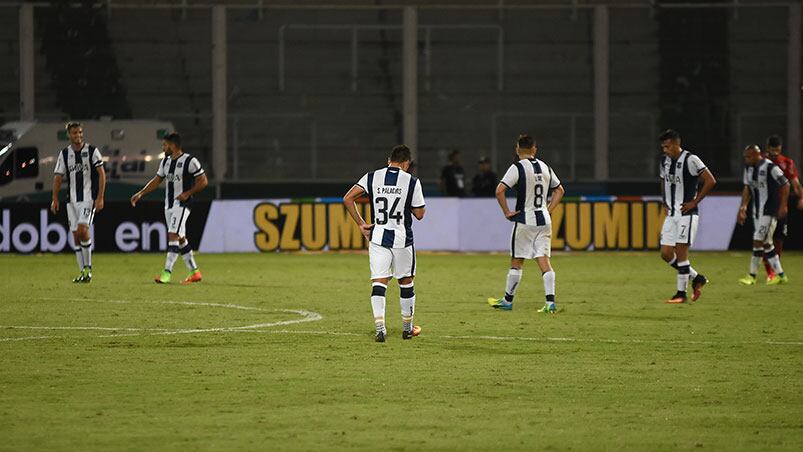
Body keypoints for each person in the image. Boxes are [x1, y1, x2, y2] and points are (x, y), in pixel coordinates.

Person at [343, 145, 425, 342]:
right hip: (402, 239)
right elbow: (420, 214)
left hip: (378, 237)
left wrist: (362, 224)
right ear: (407, 163)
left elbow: (348, 198)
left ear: (389, 160)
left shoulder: (371, 177)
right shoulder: (411, 181)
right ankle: (407, 328)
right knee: (406, 281)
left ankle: (380, 327)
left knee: (379, 281)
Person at [487, 134, 565, 313]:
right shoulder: (545, 167)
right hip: (544, 220)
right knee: (544, 260)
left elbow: (500, 191)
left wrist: (507, 212)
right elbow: (559, 190)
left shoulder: (517, 167)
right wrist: (549, 209)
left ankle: (507, 300)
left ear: (517, 149)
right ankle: (550, 303)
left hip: (525, 220)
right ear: (534, 149)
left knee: (517, 260)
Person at [130, 132, 207, 284]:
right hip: (169, 205)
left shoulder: (190, 161)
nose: (163, 147)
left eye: (164, 145)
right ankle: (195, 272)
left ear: (172, 145)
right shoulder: (165, 161)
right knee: (180, 238)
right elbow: (157, 180)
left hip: (183, 204)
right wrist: (140, 193)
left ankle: (166, 273)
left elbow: (203, 181)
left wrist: (188, 193)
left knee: (172, 234)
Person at [657, 129, 716, 304]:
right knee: (666, 253)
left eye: (667, 146)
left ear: (676, 144)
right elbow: (663, 180)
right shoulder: (664, 161)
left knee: (681, 252)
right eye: (663, 147)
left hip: (687, 214)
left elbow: (710, 180)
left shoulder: (691, 159)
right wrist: (664, 200)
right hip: (672, 214)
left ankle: (680, 294)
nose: (665, 150)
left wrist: (695, 202)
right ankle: (697, 278)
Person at [50, 122, 106, 283]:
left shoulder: (92, 151)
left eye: (80, 132)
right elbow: (58, 177)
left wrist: (100, 197)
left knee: (83, 230)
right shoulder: (65, 154)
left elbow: (102, 174)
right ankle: (83, 272)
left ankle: (88, 269)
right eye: (75, 133)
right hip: (71, 201)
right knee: (75, 237)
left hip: (88, 199)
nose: (78, 135)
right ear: (69, 135)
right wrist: (55, 199)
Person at [737, 144, 790, 285]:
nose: (746, 159)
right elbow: (747, 187)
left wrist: (783, 205)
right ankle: (781, 275)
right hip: (757, 211)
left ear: (756, 155)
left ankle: (751, 276)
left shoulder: (770, 167)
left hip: (769, 210)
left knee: (757, 240)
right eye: (745, 157)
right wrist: (743, 207)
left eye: (748, 156)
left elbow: (786, 184)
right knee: (766, 243)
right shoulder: (748, 168)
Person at [760, 135, 803, 281]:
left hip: (780, 207)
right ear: (768, 149)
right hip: (765, 207)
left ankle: (775, 271)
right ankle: (770, 273)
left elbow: (795, 183)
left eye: (777, 151)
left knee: (778, 239)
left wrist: (801, 197)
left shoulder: (787, 163)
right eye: (773, 151)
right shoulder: (760, 162)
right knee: (766, 240)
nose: (775, 154)